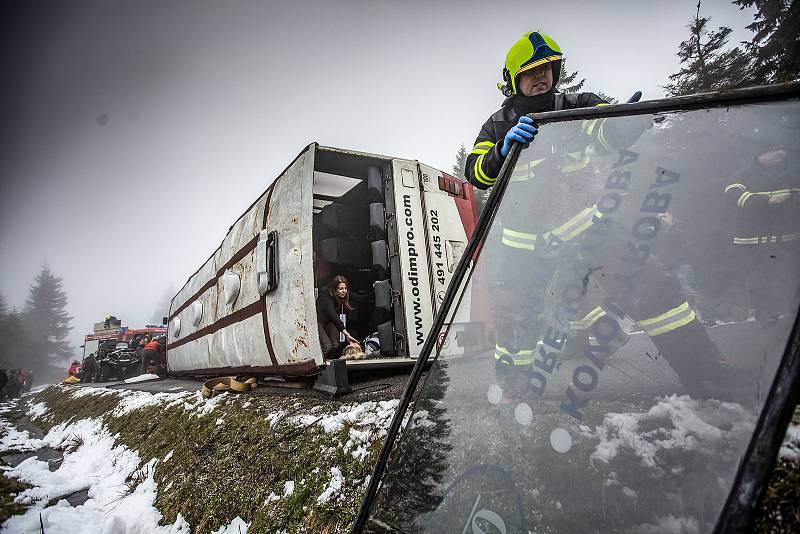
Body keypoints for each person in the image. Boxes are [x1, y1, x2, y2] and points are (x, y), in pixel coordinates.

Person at [465, 31, 736, 397]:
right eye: (531, 72)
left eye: (548, 68)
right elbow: (476, 174)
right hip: (524, 247)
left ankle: (707, 374)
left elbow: (604, 131)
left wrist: (624, 124)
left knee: (653, 286)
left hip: (587, 231)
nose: (542, 76)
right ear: (514, 79)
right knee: (517, 326)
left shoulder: (576, 105)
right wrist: (501, 149)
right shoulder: (497, 124)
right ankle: (514, 399)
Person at [723, 133, 800, 325]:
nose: (781, 153)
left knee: (791, 276)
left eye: (783, 149)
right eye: (775, 149)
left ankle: (793, 312)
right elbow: (732, 195)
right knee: (759, 279)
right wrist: (766, 201)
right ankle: (766, 316)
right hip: (753, 242)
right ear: (761, 154)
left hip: (787, 238)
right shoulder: (744, 174)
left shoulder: (791, 173)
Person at [316, 275, 374, 358]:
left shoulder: (345, 293)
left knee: (335, 345)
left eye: (345, 288)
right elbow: (333, 315)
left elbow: (361, 298)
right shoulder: (325, 296)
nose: (344, 291)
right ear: (334, 289)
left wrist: (377, 289)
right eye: (341, 289)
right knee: (326, 346)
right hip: (319, 322)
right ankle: (320, 366)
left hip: (330, 322)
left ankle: (332, 363)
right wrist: (346, 334)